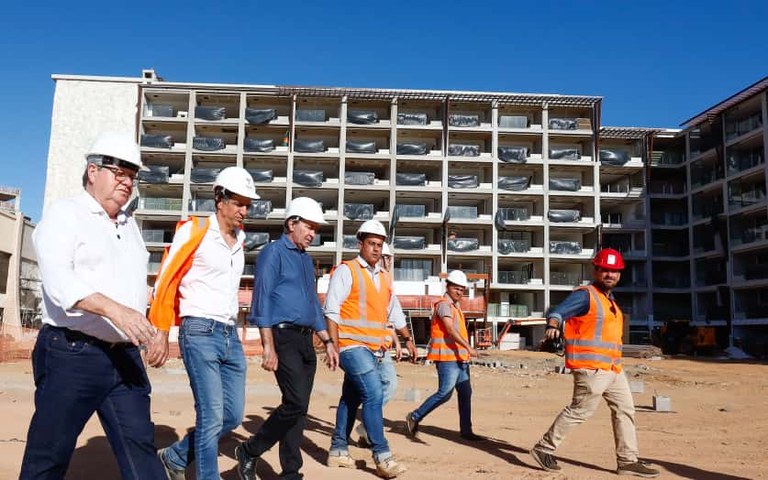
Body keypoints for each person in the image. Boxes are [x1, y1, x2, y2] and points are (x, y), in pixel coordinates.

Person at [20, 132, 165, 479]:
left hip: (124, 356)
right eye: (120, 172)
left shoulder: (129, 226)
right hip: (72, 354)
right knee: (49, 455)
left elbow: (135, 288)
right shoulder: (65, 214)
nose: (127, 181)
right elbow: (60, 284)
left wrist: (153, 327)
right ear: (92, 171)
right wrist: (117, 311)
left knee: (141, 449)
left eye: (132, 175)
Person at [148, 167, 259, 479]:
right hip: (198, 331)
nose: (244, 210)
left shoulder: (240, 241)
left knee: (231, 415)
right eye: (238, 203)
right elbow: (166, 280)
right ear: (219, 198)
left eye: (248, 205)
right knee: (210, 414)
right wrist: (161, 332)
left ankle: (176, 456)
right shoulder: (194, 230)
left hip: (229, 334)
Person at [529, 248, 660, 478]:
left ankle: (627, 461)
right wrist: (552, 325)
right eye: (605, 270)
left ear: (620, 274)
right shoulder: (585, 295)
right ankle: (544, 448)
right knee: (580, 410)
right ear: (596, 270)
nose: (610, 274)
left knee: (625, 410)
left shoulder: (609, 301)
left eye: (614, 271)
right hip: (591, 369)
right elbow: (559, 312)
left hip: (613, 369)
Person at [235, 197, 339, 480]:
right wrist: (268, 346)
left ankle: (290, 472)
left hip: (306, 342)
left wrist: (327, 341)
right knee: (294, 402)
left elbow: (312, 306)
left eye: (316, 229)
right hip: (283, 337)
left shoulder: (306, 261)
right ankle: (250, 450)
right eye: (309, 227)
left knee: (299, 408)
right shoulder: (273, 252)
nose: (313, 234)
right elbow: (262, 300)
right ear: (292, 223)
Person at [325, 220, 416, 479]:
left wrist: (408, 338)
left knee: (351, 398)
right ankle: (382, 455)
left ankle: (338, 450)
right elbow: (331, 310)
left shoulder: (384, 277)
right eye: (371, 244)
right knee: (374, 394)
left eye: (379, 244)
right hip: (351, 346)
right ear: (360, 244)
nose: (376, 249)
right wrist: (332, 344)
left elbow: (393, 310)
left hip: (376, 347)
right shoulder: (347, 271)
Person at [405, 270, 483, 441]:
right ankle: (415, 416)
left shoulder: (456, 306)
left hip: (460, 358)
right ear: (448, 286)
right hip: (447, 359)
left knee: (465, 393)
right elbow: (449, 329)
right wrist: (468, 347)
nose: (459, 292)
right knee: (445, 393)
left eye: (462, 289)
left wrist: (465, 351)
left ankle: (466, 431)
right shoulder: (443, 305)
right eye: (456, 288)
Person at [352, 242, 400, 447]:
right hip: (365, 344)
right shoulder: (370, 279)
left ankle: (365, 427)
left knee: (386, 386)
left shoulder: (386, 281)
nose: (388, 262)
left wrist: (397, 340)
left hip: (382, 344)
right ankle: (366, 428)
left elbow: (388, 316)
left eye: (390, 259)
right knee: (382, 386)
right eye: (385, 258)